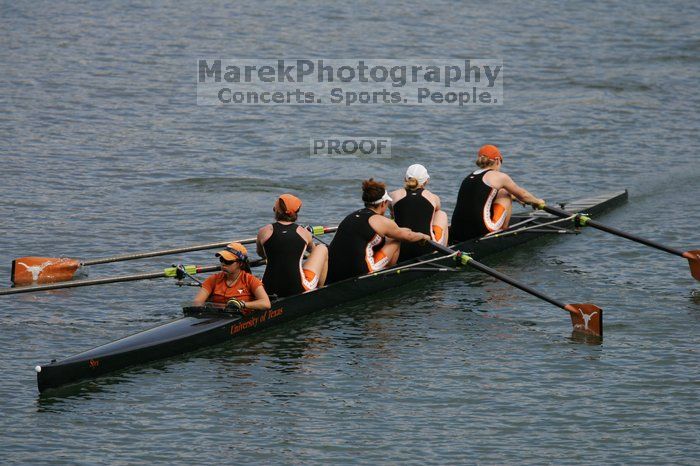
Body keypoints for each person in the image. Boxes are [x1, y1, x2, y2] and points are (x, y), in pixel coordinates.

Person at [327, 178, 432, 284]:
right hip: (361, 272)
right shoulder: (382, 221)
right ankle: (388, 276)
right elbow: (409, 236)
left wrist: (401, 231)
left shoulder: (351, 216)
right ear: (383, 203)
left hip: (333, 271)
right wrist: (423, 236)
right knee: (395, 241)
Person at [451, 144, 545, 242]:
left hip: (457, 231)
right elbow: (523, 195)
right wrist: (537, 201)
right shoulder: (499, 177)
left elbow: (480, 197)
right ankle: (503, 233)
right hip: (481, 230)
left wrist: (517, 198)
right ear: (497, 160)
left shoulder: (469, 177)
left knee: (502, 192)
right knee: (506, 195)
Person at [256, 193, 328, 297]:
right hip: (298, 288)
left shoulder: (263, 231)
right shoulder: (304, 233)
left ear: (276, 210)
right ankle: (320, 292)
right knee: (322, 248)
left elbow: (261, 254)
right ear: (296, 212)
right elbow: (313, 251)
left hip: (267, 288)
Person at [390, 164, 449, 262]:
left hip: (399, 250)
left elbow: (394, 214)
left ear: (405, 178)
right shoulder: (433, 198)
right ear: (426, 181)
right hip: (426, 248)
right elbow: (435, 213)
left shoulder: (393, 196)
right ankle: (444, 252)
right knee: (441, 214)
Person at [193, 242, 271, 313]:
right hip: (217, 316)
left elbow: (266, 303)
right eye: (221, 259)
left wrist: (242, 304)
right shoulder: (213, 279)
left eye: (228, 261)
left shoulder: (250, 280)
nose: (223, 264)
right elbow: (197, 302)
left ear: (240, 264)